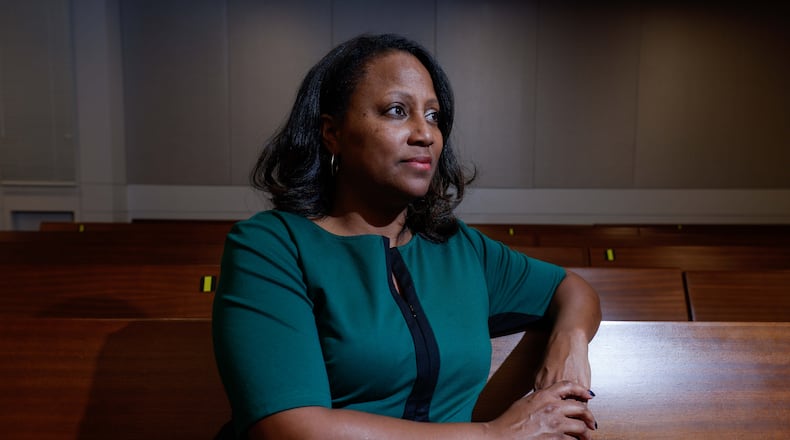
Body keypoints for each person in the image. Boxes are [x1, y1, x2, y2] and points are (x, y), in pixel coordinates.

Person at [212, 33, 602, 439]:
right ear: (333, 133)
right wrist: (494, 435)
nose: (425, 134)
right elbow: (289, 427)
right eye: (397, 111)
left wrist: (570, 340)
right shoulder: (270, 247)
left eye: (433, 116)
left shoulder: (458, 248)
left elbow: (572, 289)